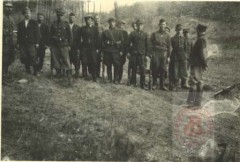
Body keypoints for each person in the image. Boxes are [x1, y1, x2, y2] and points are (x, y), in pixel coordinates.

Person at [187, 24, 208, 107]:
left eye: (197, 30)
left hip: (197, 64)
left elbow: (202, 53)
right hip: (199, 63)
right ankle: (197, 102)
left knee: (194, 82)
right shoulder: (203, 39)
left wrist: (204, 63)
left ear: (199, 30)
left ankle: (191, 102)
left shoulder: (200, 40)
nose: (197, 31)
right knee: (199, 81)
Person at [75, 15, 101, 82]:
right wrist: (79, 47)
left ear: (92, 21)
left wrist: (98, 48)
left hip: (93, 48)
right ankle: (85, 75)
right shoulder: (82, 28)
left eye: (89, 20)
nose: (87, 21)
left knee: (94, 61)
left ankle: (94, 76)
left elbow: (98, 39)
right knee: (84, 61)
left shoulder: (95, 28)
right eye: (86, 20)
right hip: (84, 47)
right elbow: (78, 38)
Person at [49, 8, 72, 82]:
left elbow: (70, 35)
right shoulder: (53, 24)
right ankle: (58, 73)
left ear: (64, 16)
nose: (60, 17)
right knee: (56, 60)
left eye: (61, 15)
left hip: (64, 45)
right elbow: (50, 35)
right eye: (58, 15)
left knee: (66, 59)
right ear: (56, 15)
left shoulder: (66, 24)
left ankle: (68, 74)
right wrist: (51, 45)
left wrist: (69, 45)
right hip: (55, 45)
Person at [17, 7, 40, 76]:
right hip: (23, 43)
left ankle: (36, 71)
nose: (28, 14)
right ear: (24, 14)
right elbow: (19, 34)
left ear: (31, 14)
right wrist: (18, 43)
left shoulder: (34, 22)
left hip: (31, 43)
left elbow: (37, 33)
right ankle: (28, 70)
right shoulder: (20, 23)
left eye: (29, 13)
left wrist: (37, 42)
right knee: (24, 56)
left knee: (33, 56)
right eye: (26, 13)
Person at [150, 19, 171, 90]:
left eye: (164, 24)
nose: (163, 26)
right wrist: (151, 53)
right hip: (156, 53)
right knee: (155, 68)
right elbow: (150, 44)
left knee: (163, 69)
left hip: (164, 54)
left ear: (166, 25)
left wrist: (168, 56)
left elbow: (169, 46)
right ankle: (154, 84)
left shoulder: (168, 35)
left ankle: (162, 85)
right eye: (161, 24)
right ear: (159, 25)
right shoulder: (154, 34)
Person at [102, 17, 124, 84]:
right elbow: (102, 42)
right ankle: (109, 78)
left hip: (116, 51)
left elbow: (122, 41)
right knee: (108, 65)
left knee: (116, 65)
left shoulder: (119, 31)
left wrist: (121, 50)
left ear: (115, 23)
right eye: (110, 22)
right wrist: (106, 45)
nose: (112, 23)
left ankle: (116, 79)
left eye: (113, 22)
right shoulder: (105, 32)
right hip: (108, 51)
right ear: (109, 23)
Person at [128, 19, 149, 89]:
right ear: (136, 26)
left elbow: (148, 45)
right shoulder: (132, 33)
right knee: (133, 68)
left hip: (142, 55)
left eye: (141, 25)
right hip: (134, 54)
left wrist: (147, 55)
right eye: (138, 25)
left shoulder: (145, 34)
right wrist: (128, 52)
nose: (140, 27)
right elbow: (128, 44)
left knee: (142, 70)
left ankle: (142, 84)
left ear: (143, 26)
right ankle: (133, 83)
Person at [169, 24, 189, 91]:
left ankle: (184, 84)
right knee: (175, 70)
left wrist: (185, 56)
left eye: (180, 30)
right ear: (176, 30)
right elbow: (171, 47)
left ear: (181, 30)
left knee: (184, 70)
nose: (179, 31)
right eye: (177, 29)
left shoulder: (184, 39)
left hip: (182, 56)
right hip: (175, 56)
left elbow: (186, 48)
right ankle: (175, 85)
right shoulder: (172, 38)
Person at [3, 2, 15, 78]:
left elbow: (12, 29)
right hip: (3, 40)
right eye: (7, 7)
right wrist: (6, 31)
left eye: (11, 7)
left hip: (10, 41)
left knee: (10, 56)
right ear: (4, 8)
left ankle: (5, 72)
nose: (9, 9)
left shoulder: (11, 18)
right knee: (4, 56)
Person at [68, 12, 80, 78]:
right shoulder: (66, 26)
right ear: (68, 18)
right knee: (68, 59)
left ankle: (76, 72)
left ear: (75, 19)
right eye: (70, 17)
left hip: (75, 47)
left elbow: (79, 38)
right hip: (68, 46)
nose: (72, 19)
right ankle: (69, 72)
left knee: (76, 60)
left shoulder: (78, 27)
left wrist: (78, 47)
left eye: (73, 18)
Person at [116, 20, 129, 84]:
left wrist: (125, 52)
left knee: (121, 65)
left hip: (123, 51)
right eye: (120, 24)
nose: (121, 26)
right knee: (116, 65)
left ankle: (120, 78)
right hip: (116, 51)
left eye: (122, 24)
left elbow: (126, 43)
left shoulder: (125, 33)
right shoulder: (115, 32)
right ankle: (116, 78)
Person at [94, 14, 104, 79]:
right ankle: (94, 74)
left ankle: (100, 74)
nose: (97, 20)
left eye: (98, 18)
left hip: (101, 46)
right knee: (94, 60)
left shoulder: (102, 28)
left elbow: (104, 37)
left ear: (100, 19)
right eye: (96, 18)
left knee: (100, 60)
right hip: (94, 47)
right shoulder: (93, 27)